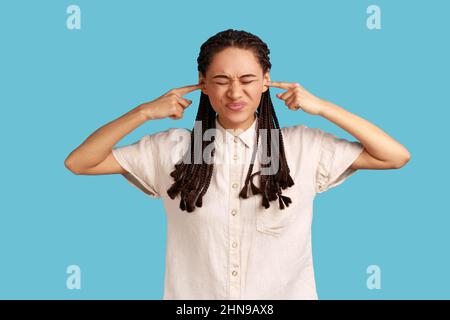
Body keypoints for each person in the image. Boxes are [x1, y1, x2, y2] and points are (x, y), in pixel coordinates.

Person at [64, 29, 410, 299]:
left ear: (265, 81)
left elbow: (395, 155)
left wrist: (321, 107)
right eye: (220, 80)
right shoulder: (170, 149)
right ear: (202, 84)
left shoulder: (302, 146)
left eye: (246, 80)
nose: (234, 93)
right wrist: (143, 112)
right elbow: (80, 162)